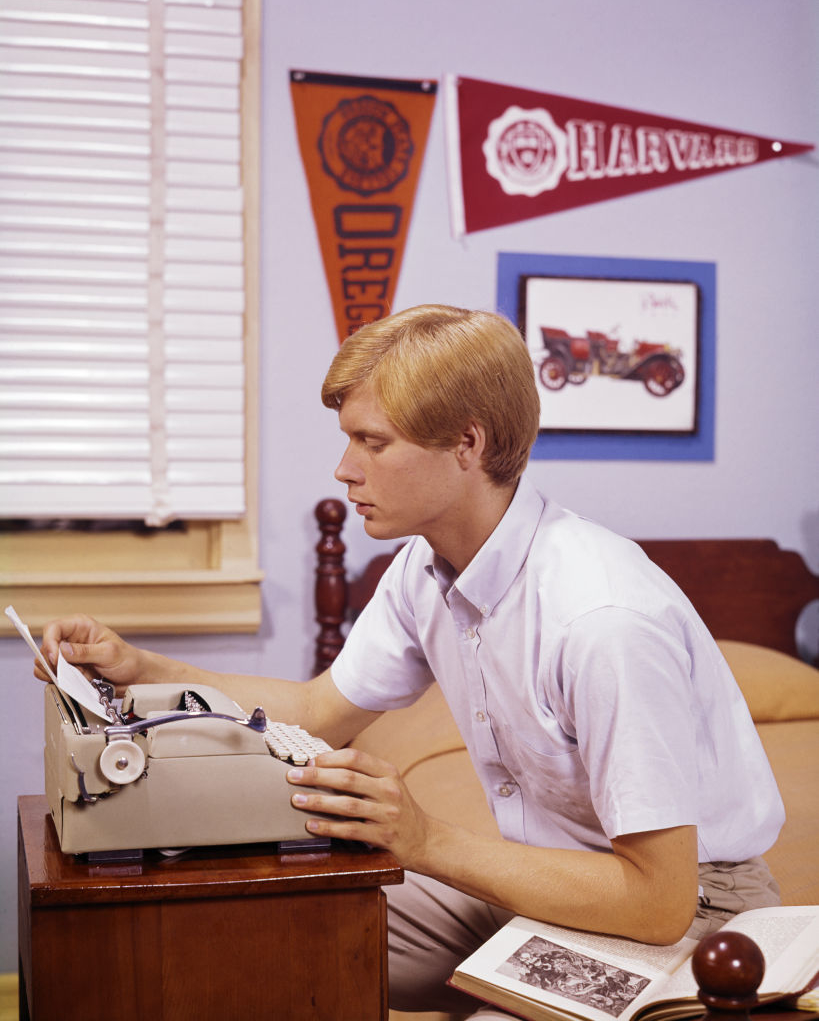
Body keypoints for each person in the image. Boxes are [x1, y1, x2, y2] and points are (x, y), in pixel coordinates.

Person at [35, 304, 784, 1019]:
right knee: (252, 922)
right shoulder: (424, 572)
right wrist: (142, 667)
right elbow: (318, 711)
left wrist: (426, 840)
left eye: (373, 442)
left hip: (690, 911)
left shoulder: (602, 620)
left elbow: (656, 902)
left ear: (467, 444)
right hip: (538, 875)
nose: (342, 469)